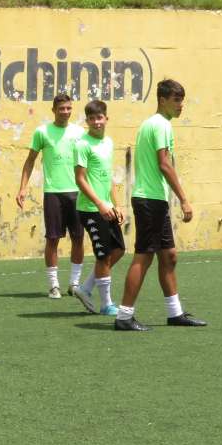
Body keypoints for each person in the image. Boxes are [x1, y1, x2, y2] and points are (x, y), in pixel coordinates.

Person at [115, 79, 207, 331]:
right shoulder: (160, 125)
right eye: (176, 100)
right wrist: (184, 199)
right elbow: (164, 164)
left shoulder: (153, 124)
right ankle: (124, 316)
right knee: (143, 258)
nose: (181, 105)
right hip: (150, 200)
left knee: (169, 256)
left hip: (154, 200)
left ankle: (175, 313)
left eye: (182, 100)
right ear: (162, 100)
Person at [16, 93, 86, 298]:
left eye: (68, 108)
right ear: (53, 110)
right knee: (53, 239)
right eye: (61, 108)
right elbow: (30, 161)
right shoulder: (42, 133)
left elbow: (87, 163)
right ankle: (54, 285)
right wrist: (22, 188)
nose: (65, 112)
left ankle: (74, 284)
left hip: (77, 193)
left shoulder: (80, 133)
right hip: (53, 193)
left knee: (78, 238)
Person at [71, 100, 124, 317]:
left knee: (118, 251)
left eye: (99, 117)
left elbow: (108, 176)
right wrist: (99, 204)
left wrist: (116, 203)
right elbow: (80, 179)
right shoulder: (82, 144)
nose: (96, 122)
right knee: (103, 256)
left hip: (107, 207)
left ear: (106, 118)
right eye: (91, 118)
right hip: (90, 209)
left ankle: (84, 289)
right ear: (87, 121)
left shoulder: (108, 143)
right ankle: (107, 304)